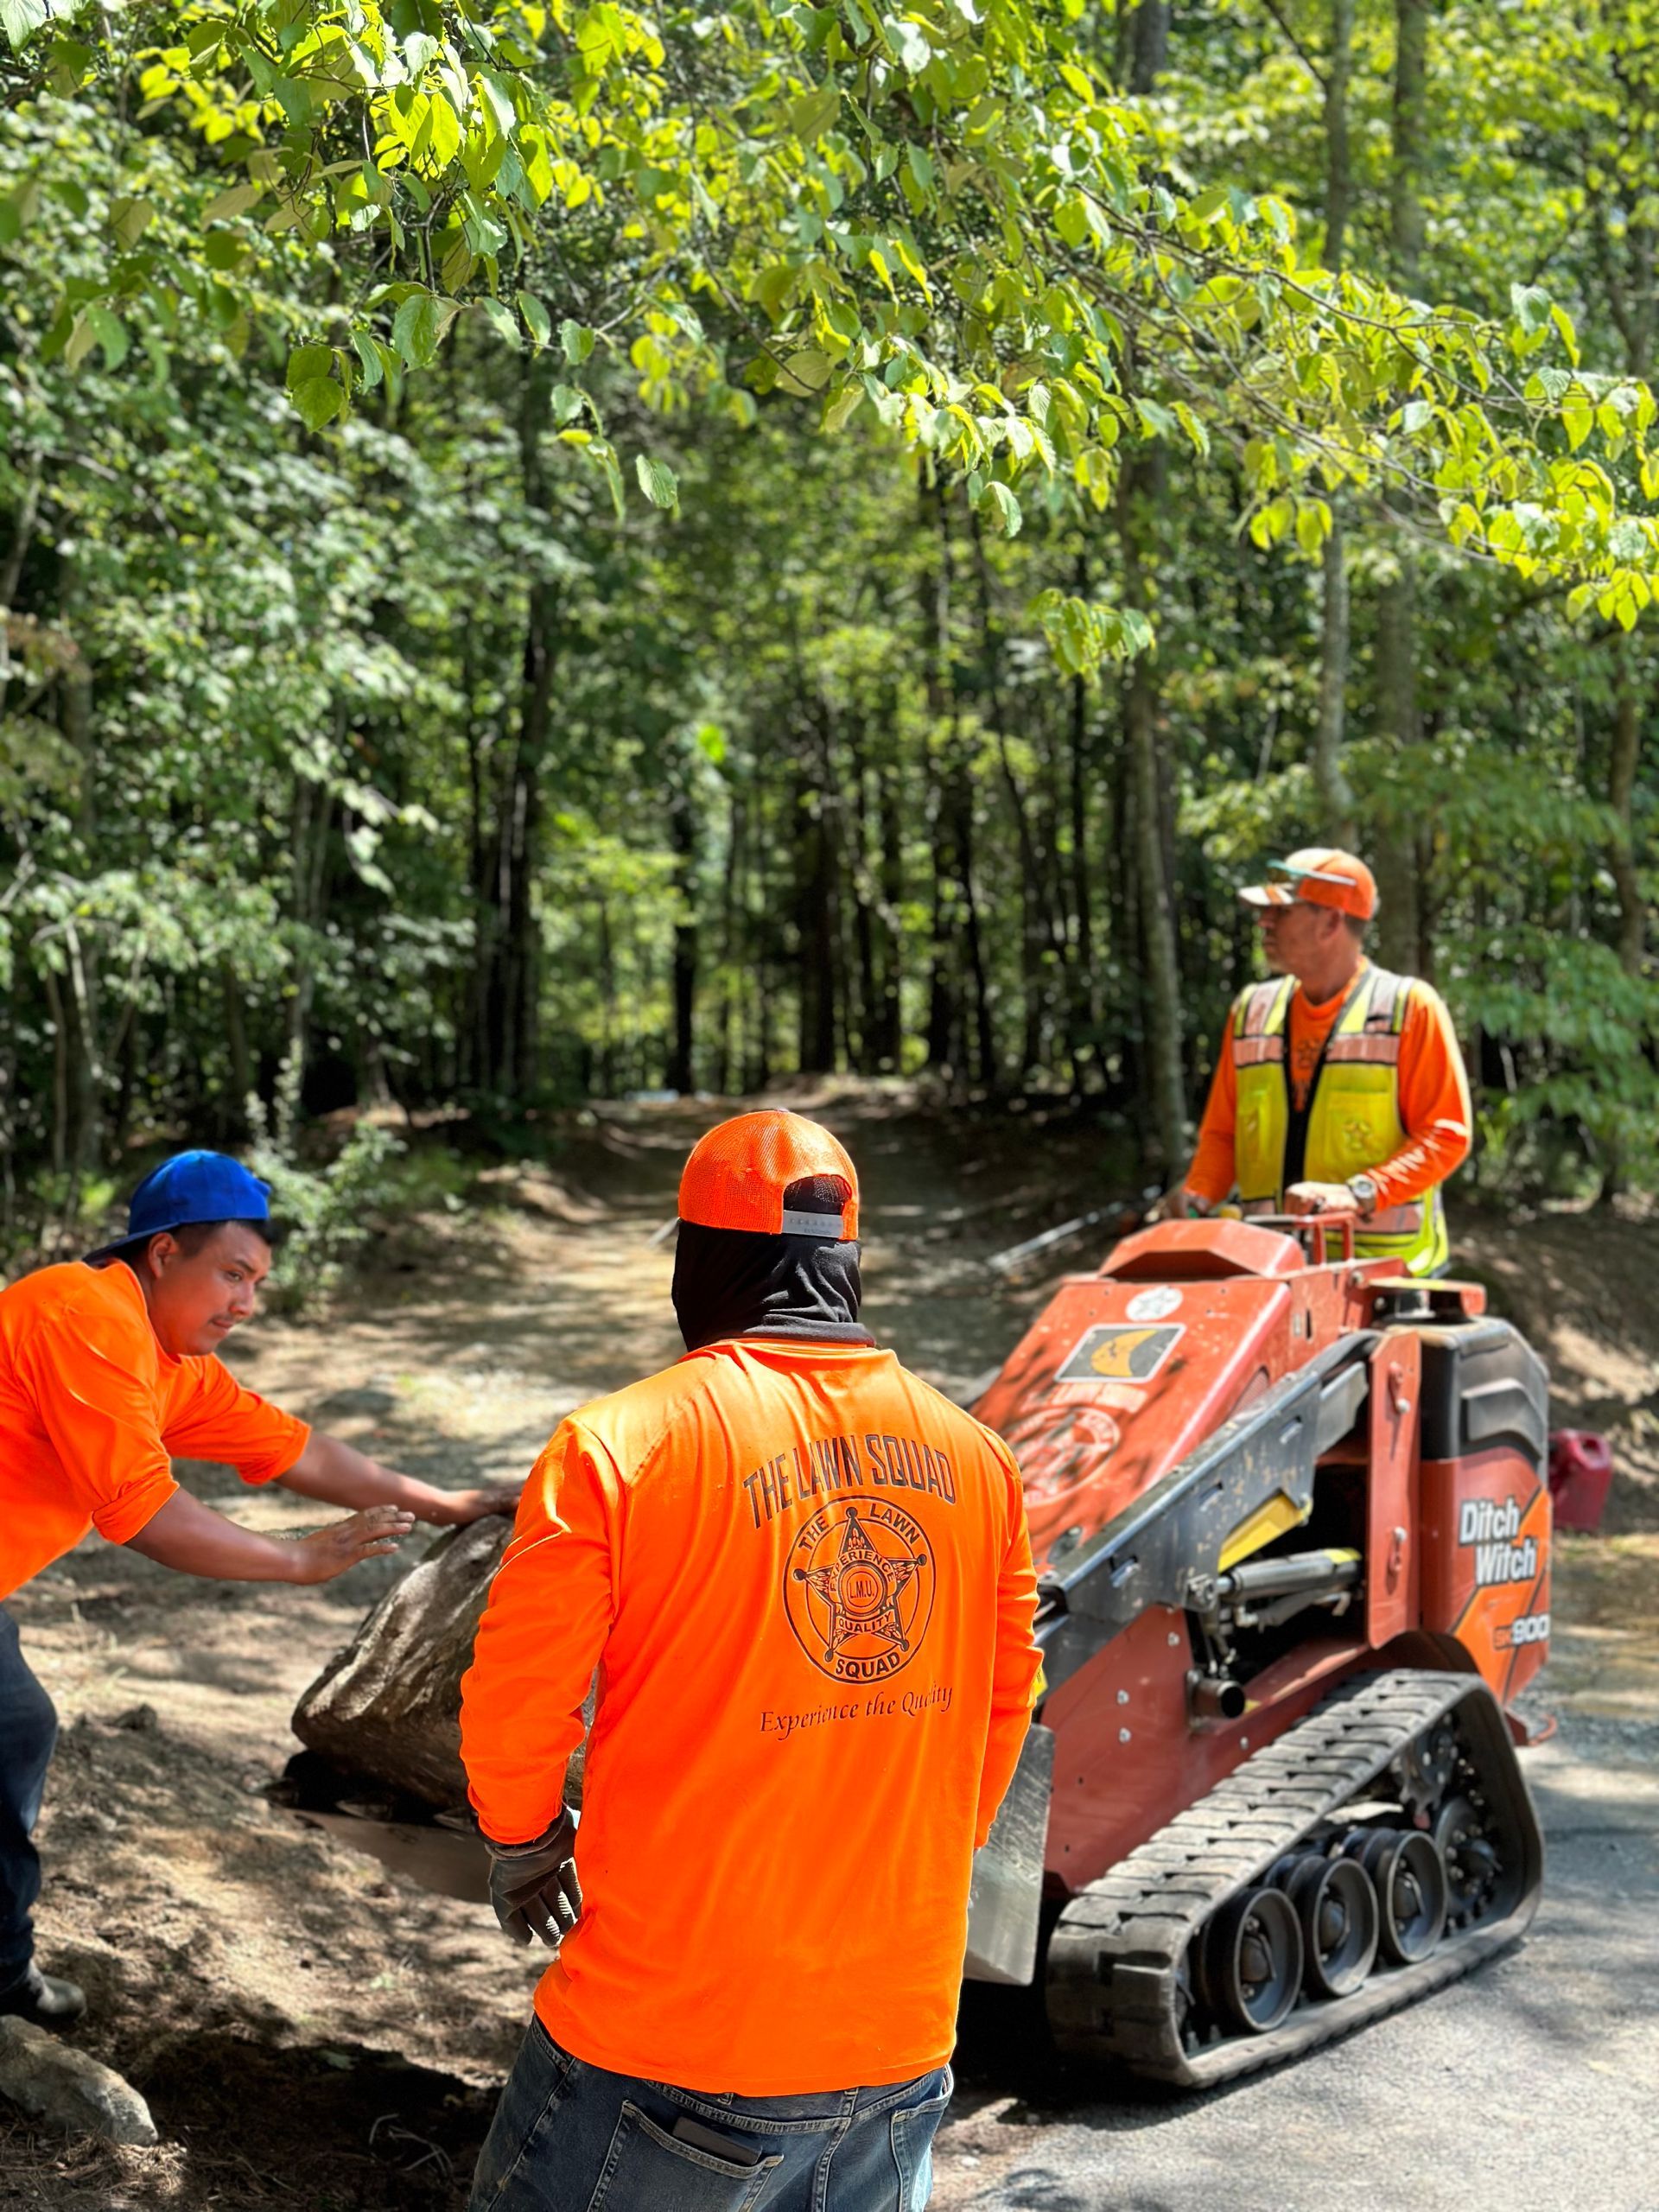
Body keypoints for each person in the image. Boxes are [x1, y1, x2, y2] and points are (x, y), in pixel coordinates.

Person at [460, 1109, 1041, 2212]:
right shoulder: (981, 1459)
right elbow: (1009, 1702)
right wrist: (900, 1862)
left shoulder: (617, 1446)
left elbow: (517, 1696)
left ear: (702, 1263)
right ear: (844, 1267)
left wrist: (526, 1840)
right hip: (898, 2043)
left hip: (666, 2039)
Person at [0, 1148, 516, 2030]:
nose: (245, 1302)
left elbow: (295, 1449)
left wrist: (442, 1501)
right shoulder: (83, 1314)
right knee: (15, 1726)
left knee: (14, 1727)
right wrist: (299, 1560)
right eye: (232, 1274)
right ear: (164, 1253)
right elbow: (146, 1515)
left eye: (258, 1281)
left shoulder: (168, 1361)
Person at [1174, 848, 1472, 1274]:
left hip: (1386, 1280)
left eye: (1281, 912)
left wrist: (1362, 1192)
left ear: (1332, 921)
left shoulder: (1408, 1009)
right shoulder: (1251, 1013)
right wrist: (1198, 1193)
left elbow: (1446, 1135)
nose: (1264, 922)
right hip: (1270, 1272)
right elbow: (1223, 1135)